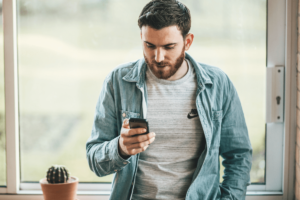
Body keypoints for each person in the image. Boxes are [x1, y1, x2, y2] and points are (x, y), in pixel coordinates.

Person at [86, 0, 252, 199]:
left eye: (169, 47)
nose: (158, 57)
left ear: (187, 42)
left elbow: (239, 155)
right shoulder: (118, 81)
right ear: (141, 37)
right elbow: (94, 159)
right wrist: (120, 148)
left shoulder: (218, 84)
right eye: (149, 45)